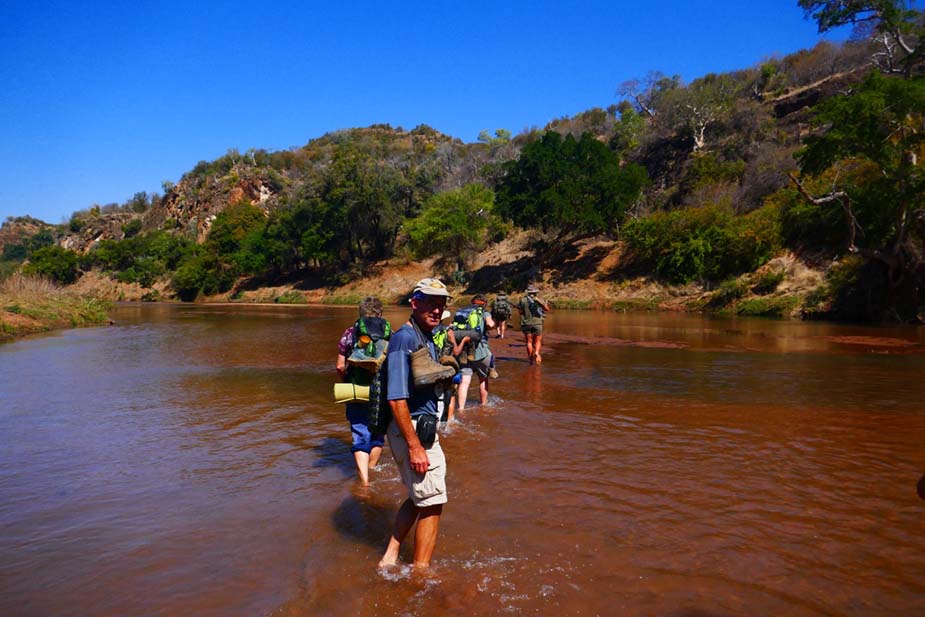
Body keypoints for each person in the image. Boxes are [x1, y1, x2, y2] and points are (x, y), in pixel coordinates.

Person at [379, 278, 452, 570]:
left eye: (442, 303)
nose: (437, 309)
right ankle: (421, 574)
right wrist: (414, 446)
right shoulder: (404, 339)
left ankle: (390, 556)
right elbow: (395, 398)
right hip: (411, 431)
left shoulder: (425, 337)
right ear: (415, 303)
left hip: (420, 429)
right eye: (431, 302)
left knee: (419, 496)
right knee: (434, 501)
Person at [335, 297, 390, 485]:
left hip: (357, 390)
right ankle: (370, 470)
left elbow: (340, 366)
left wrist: (347, 382)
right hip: (381, 390)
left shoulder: (350, 333)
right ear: (380, 313)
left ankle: (364, 482)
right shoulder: (390, 333)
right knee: (377, 434)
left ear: (360, 313)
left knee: (360, 433)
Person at [454, 294, 495, 411]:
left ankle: (461, 409)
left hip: (463, 351)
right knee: (483, 378)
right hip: (481, 350)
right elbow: (490, 324)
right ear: (484, 304)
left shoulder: (462, 313)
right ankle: (484, 405)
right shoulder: (485, 313)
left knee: (464, 381)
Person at [517, 285, 551, 365]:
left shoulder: (523, 300)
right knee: (538, 341)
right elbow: (547, 309)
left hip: (526, 323)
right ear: (536, 292)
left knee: (529, 342)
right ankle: (536, 352)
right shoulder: (539, 300)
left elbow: (520, 312)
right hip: (537, 323)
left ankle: (531, 360)